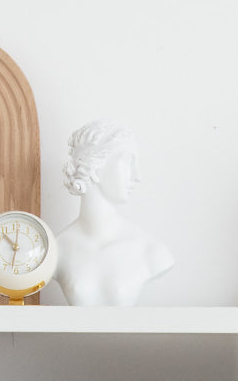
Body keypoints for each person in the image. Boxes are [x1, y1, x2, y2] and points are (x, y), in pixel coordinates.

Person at [55, 120, 174, 306]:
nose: (137, 176)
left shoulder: (151, 250)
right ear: (94, 167)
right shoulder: (56, 250)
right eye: (128, 161)